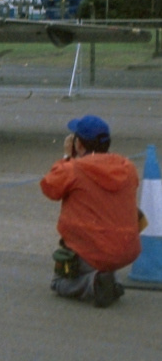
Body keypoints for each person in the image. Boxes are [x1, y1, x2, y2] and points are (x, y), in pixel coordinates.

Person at [42, 115, 142, 308]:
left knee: (58, 282)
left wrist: (66, 157)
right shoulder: (128, 167)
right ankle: (108, 278)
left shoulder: (74, 169)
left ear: (78, 144)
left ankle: (93, 284)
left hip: (93, 249)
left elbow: (50, 188)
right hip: (127, 249)